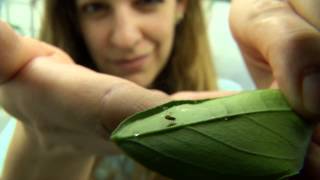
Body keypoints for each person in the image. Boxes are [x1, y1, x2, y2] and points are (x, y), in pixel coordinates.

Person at [0, 0, 319, 179]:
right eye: (96, 7)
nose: (125, 37)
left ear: (180, 6)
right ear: (75, 22)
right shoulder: (26, 122)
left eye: (147, 1)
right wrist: (45, 152)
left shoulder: (229, 94)